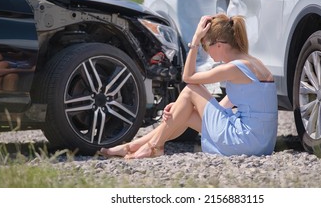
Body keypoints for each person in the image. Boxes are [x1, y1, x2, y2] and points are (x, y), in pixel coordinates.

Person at [100, 13, 278, 159]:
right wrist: (180, 107)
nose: (205, 51)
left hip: (244, 141)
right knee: (187, 112)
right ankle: (135, 146)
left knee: (191, 89)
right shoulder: (253, 64)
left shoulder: (233, 68)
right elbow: (223, 107)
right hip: (260, 143)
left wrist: (194, 40)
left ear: (218, 45)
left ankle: (154, 146)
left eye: (204, 45)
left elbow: (188, 77)